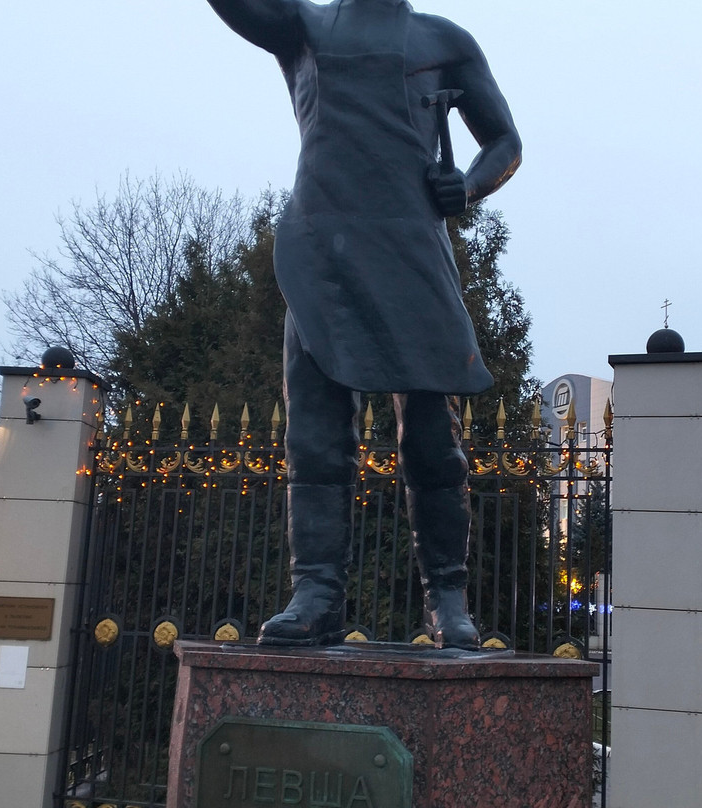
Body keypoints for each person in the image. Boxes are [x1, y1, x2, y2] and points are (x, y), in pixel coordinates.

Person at [205, 0, 522, 649]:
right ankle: (316, 592)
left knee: (434, 440)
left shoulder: (443, 40)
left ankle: (448, 602)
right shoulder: (305, 24)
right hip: (323, 248)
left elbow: (505, 142)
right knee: (316, 434)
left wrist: (468, 185)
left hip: (411, 249)